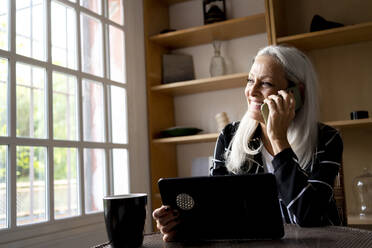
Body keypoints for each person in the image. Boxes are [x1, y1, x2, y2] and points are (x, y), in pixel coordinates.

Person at [152, 45, 343, 241]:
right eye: (250, 80)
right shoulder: (229, 136)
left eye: (266, 83)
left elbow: (309, 216)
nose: (251, 90)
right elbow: (215, 210)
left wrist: (278, 140)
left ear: (295, 93)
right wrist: (180, 227)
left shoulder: (327, 139)